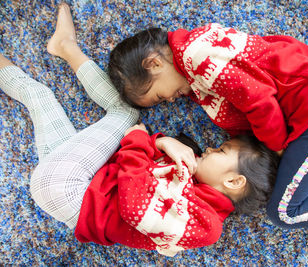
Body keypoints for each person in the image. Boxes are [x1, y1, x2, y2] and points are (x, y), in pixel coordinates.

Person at [0, 4, 279, 256]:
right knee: (38, 96)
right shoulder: (193, 185)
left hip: (71, 191)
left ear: (233, 181)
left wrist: (140, 140)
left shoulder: (206, 225)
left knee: (127, 115)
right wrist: (162, 142)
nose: (209, 148)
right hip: (73, 186)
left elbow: (134, 205)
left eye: (221, 150)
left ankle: (68, 48)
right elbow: (145, 173)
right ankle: (63, 46)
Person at [107, 23, 308, 233]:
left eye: (160, 95)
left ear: (154, 63)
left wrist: (276, 147)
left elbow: (259, 100)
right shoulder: (196, 76)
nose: (170, 99)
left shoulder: (198, 55)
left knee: (285, 213)